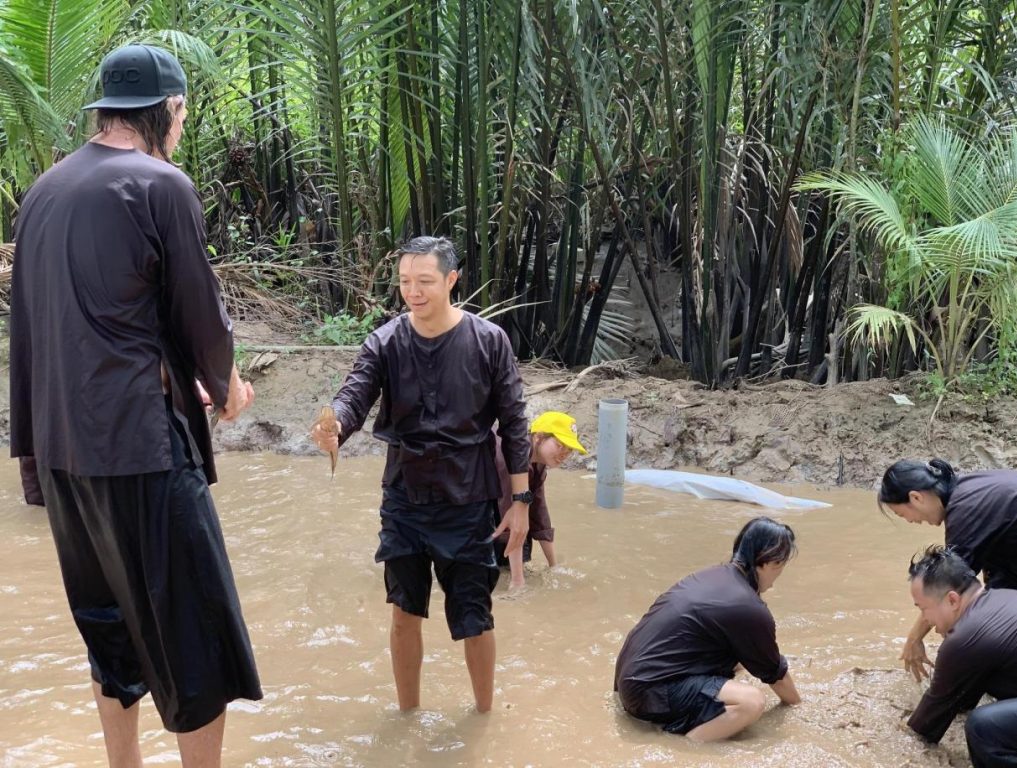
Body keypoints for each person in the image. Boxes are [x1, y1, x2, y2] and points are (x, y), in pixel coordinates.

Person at [9, 44, 262, 766]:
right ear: (168, 109)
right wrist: (225, 382)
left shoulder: (44, 191)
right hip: (140, 447)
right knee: (196, 642)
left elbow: (28, 331)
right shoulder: (161, 184)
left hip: (63, 452)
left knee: (108, 630)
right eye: (182, 114)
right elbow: (199, 314)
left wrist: (32, 453)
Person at [310, 235, 531, 714]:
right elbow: (354, 394)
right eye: (406, 282)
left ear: (451, 280)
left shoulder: (489, 341)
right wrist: (336, 428)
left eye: (425, 281)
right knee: (404, 613)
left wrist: (521, 504)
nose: (413, 291)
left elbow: (515, 424)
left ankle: (483, 718)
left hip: (469, 500)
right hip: (404, 499)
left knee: (476, 617)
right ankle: (407, 715)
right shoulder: (385, 341)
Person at [613, 516, 801, 742]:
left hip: (628, 678)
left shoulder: (710, 576)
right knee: (751, 702)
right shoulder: (749, 607)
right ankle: (685, 748)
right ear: (773, 563)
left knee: (740, 663)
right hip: (648, 694)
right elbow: (776, 677)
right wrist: (799, 708)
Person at [878, 459, 1017, 681]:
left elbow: (946, 589)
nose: (910, 521)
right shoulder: (968, 490)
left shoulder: (964, 511)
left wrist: (914, 639)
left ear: (916, 497)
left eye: (902, 514)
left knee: (966, 612)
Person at [905, 546, 1017, 767]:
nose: (926, 620)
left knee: (984, 727)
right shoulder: (1002, 596)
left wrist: (899, 739)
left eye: (923, 609)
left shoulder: (964, 638)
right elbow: (962, 698)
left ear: (952, 600)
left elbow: (925, 725)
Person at [492, 410, 587, 589]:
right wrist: (518, 582)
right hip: (470, 493)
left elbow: (539, 513)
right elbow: (512, 520)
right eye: (560, 445)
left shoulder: (539, 465)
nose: (565, 454)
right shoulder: (510, 457)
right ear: (539, 437)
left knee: (524, 519)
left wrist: (554, 566)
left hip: (494, 497)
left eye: (569, 449)